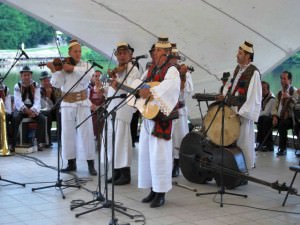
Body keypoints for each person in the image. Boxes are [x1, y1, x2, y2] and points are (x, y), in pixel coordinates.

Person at [138, 37, 180, 208]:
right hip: (149, 116)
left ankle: (161, 192)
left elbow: (169, 88)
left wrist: (151, 91)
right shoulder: (152, 69)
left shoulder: (172, 70)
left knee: (160, 155)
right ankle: (153, 189)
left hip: (162, 119)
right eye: (153, 50)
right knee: (147, 154)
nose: (153, 53)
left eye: (156, 50)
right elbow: (142, 84)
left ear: (165, 53)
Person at [48, 39, 97, 176]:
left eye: (79, 51)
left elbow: (90, 74)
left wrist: (73, 68)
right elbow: (57, 84)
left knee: (87, 132)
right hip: (67, 104)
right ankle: (71, 162)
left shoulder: (85, 65)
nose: (78, 53)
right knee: (68, 133)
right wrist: (54, 70)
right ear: (69, 52)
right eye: (75, 51)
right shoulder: (63, 67)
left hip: (82, 102)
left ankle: (90, 163)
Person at [220, 41, 262, 169]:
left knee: (243, 142)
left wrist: (241, 113)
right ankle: (233, 167)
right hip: (232, 111)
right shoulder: (238, 68)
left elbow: (254, 96)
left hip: (242, 113)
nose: (237, 55)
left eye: (240, 53)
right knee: (231, 140)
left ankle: (243, 170)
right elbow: (230, 85)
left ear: (248, 56)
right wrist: (224, 94)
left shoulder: (253, 73)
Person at [103, 42, 140, 185]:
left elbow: (133, 90)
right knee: (113, 141)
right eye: (120, 53)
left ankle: (125, 174)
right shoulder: (117, 70)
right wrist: (105, 90)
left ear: (130, 55)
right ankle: (116, 171)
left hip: (124, 109)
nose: (122, 56)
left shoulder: (133, 70)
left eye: (125, 53)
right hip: (112, 108)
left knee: (122, 142)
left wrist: (117, 85)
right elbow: (113, 89)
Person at [170, 43, 193, 177]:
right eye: (171, 57)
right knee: (168, 138)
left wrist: (183, 75)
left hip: (179, 109)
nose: (174, 59)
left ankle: (177, 165)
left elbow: (187, 90)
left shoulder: (185, 71)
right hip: (167, 109)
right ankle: (169, 163)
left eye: (175, 57)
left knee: (179, 138)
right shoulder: (165, 70)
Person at [12, 66, 47, 151]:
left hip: (32, 108)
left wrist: (33, 110)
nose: (26, 77)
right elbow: (18, 102)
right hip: (21, 108)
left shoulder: (36, 85)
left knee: (42, 119)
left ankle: (39, 142)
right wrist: (27, 111)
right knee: (15, 118)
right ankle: (13, 144)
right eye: (24, 75)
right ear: (21, 76)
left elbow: (37, 100)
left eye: (28, 75)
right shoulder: (17, 86)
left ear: (31, 75)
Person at [271, 71, 298, 156]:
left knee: (283, 124)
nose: (282, 81)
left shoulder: (295, 91)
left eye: (284, 79)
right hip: (279, 117)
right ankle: (267, 145)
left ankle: (283, 148)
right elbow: (274, 107)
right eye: (281, 78)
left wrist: (289, 98)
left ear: (290, 80)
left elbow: (297, 106)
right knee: (264, 119)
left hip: (290, 119)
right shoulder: (279, 93)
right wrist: (274, 116)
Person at [40, 71, 61, 147]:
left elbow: (58, 101)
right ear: (41, 82)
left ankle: (60, 139)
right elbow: (44, 107)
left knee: (60, 113)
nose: (46, 82)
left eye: (48, 80)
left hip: (54, 110)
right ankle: (47, 141)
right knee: (47, 115)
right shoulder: (40, 90)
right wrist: (48, 95)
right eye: (44, 81)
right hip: (44, 111)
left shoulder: (54, 88)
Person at [256, 81, 275, 151]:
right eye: (261, 89)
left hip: (272, 119)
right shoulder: (262, 99)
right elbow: (260, 110)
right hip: (264, 119)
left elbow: (266, 112)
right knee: (261, 119)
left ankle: (267, 144)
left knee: (263, 119)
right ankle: (260, 143)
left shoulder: (271, 99)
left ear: (268, 90)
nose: (262, 91)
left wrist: (256, 116)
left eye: (264, 89)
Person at [89, 70, 105, 140]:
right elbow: (88, 100)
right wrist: (91, 106)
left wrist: (99, 107)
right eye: (95, 76)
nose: (97, 78)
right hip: (92, 115)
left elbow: (107, 101)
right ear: (93, 77)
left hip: (102, 115)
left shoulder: (105, 89)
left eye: (99, 76)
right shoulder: (91, 90)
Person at [0, 81, 13, 146]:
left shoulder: (5, 90)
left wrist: (3, 100)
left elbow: (9, 111)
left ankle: (5, 143)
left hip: (5, 113)